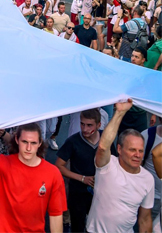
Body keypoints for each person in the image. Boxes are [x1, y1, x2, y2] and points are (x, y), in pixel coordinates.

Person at [0, 123, 66, 233]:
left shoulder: (53, 173)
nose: (28, 148)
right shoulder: (2, 163)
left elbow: (56, 215)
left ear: (40, 143)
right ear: (16, 140)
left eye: (33, 143)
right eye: (24, 142)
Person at [86, 99, 154, 233]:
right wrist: (119, 112)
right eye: (132, 150)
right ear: (119, 149)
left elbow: (145, 219)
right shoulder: (107, 166)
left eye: (141, 151)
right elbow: (103, 147)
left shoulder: (148, 179)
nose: (137, 155)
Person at [55, 109, 102, 233]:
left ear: (99, 125)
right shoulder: (73, 141)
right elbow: (59, 166)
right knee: (78, 226)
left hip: (100, 193)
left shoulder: (105, 140)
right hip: (78, 193)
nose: (85, 128)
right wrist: (82, 178)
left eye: (89, 125)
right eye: (82, 124)